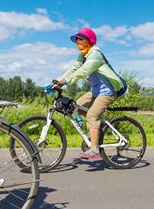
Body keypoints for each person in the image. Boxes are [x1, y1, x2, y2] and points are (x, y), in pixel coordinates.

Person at [52, 27, 127, 161]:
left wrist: (65, 82)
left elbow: (83, 71)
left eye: (81, 39)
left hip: (108, 91)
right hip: (95, 91)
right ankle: (98, 128)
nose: (78, 42)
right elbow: (74, 69)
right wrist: (59, 80)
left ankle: (94, 149)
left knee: (92, 116)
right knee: (77, 106)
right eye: (77, 40)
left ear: (89, 41)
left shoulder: (95, 54)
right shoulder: (83, 56)